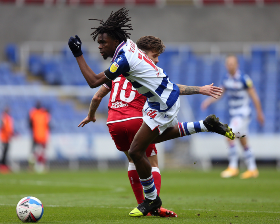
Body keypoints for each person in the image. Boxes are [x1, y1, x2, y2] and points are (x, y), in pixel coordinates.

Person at [68, 7, 235, 217]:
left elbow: (93, 83)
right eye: (99, 42)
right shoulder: (127, 47)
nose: (100, 46)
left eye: (103, 42)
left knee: (137, 151)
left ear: (113, 40)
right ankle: (205, 125)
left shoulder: (124, 58)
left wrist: (78, 54)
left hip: (163, 104)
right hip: (157, 101)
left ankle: (152, 199)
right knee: (148, 142)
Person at [201, 55, 264, 179]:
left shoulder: (244, 79)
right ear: (226, 65)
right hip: (234, 114)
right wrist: (208, 101)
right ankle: (252, 169)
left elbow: (254, 96)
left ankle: (233, 167)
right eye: (228, 64)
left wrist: (259, 112)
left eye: (232, 63)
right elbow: (221, 93)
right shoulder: (226, 79)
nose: (230, 66)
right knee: (243, 141)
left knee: (228, 136)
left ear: (237, 65)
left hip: (243, 113)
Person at [29, 101, 51, 173]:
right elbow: (49, 125)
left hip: (37, 136)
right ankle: (38, 166)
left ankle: (33, 166)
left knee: (36, 152)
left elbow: (30, 124)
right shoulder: (43, 114)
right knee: (40, 152)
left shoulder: (34, 113)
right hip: (41, 136)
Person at [0, 107, 14, 173]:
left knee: (6, 152)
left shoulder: (8, 118)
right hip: (3, 137)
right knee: (3, 152)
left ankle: (4, 165)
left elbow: (9, 128)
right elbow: (2, 125)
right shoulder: (4, 117)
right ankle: (2, 165)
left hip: (7, 138)